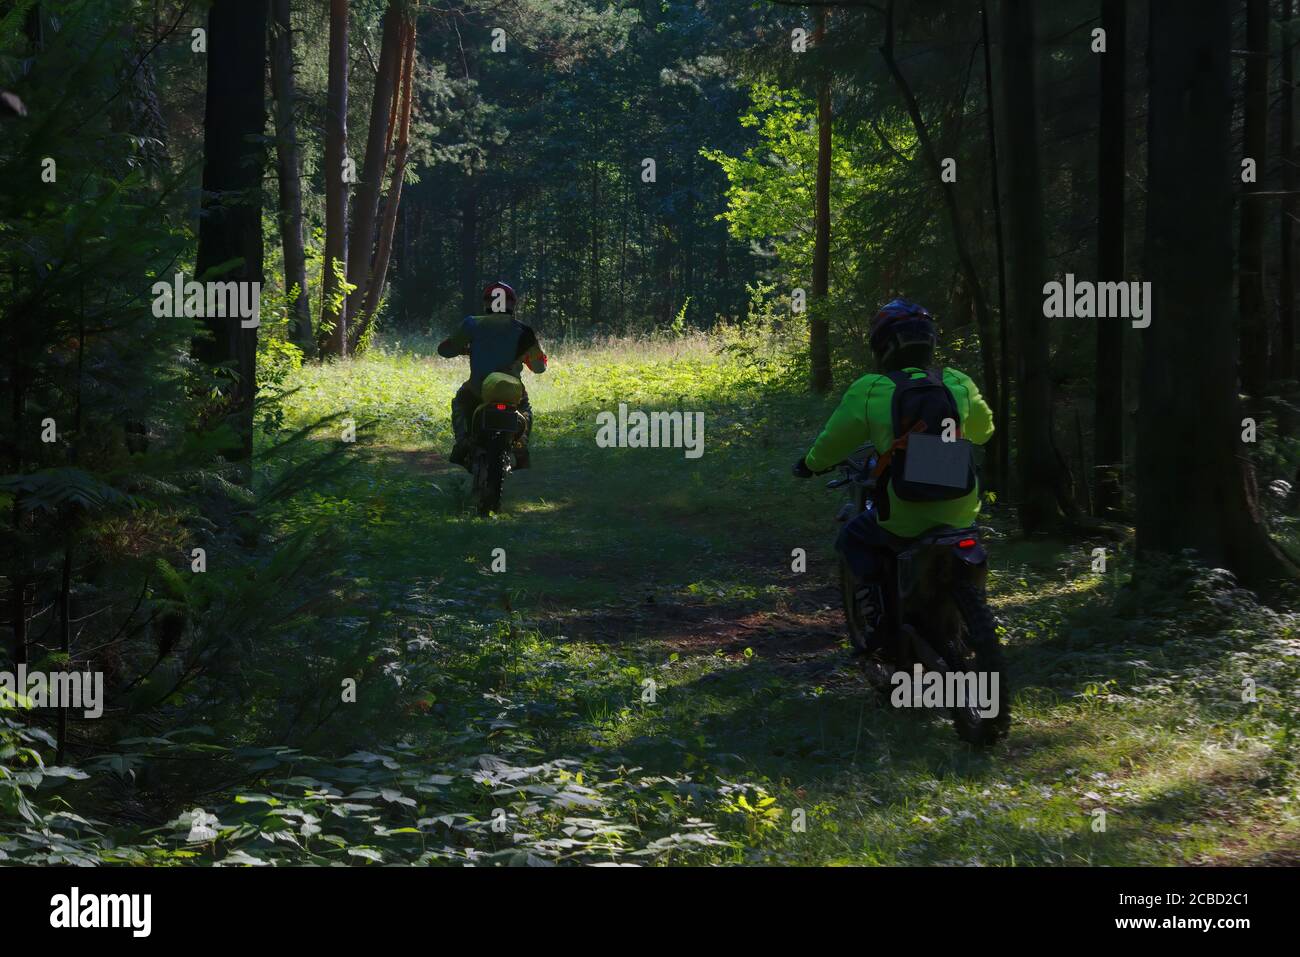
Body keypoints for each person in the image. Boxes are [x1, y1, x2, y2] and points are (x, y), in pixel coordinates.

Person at [793, 298, 994, 651]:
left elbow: (833, 443)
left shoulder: (872, 388)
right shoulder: (958, 381)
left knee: (853, 539)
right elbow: (985, 431)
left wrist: (809, 465)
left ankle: (880, 622)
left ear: (882, 345)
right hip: (962, 508)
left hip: (904, 513)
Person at [438, 282, 548, 470]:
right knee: (525, 409)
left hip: (477, 390)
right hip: (511, 392)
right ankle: (521, 444)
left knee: (460, 402)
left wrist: (462, 348)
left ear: (487, 303)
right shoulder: (524, 331)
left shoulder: (472, 323)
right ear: (513, 304)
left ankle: (463, 440)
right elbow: (539, 368)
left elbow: (446, 351)